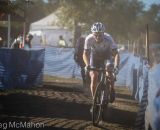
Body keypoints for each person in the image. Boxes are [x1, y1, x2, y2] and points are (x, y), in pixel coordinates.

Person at [83, 22, 120, 103]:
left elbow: (116, 54)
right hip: (95, 57)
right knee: (94, 76)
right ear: (92, 33)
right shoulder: (89, 39)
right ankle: (94, 100)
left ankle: (112, 89)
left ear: (104, 33)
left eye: (100, 35)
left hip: (107, 56)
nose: (97, 37)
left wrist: (116, 66)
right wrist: (87, 65)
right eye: (95, 35)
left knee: (109, 71)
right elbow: (85, 54)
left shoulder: (109, 38)